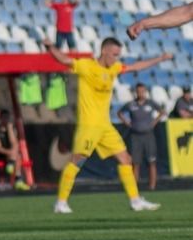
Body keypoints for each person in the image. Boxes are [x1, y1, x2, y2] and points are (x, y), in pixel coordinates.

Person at [43, 37, 172, 213]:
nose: (116, 59)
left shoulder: (115, 68)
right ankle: (61, 202)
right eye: (114, 54)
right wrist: (50, 46)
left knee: (125, 159)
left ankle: (135, 201)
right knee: (77, 162)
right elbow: (64, 60)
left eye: (118, 55)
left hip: (105, 126)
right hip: (89, 126)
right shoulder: (87, 66)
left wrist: (159, 59)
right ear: (104, 51)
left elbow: (136, 66)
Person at [0, 110, 29, 192]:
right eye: (4, 117)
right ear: (0, 118)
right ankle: (18, 180)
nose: (6, 119)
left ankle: (11, 164)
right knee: (17, 156)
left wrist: (10, 129)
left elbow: (14, 143)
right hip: (0, 154)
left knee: (17, 154)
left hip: (11, 156)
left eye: (8, 118)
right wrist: (10, 153)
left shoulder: (12, 129)